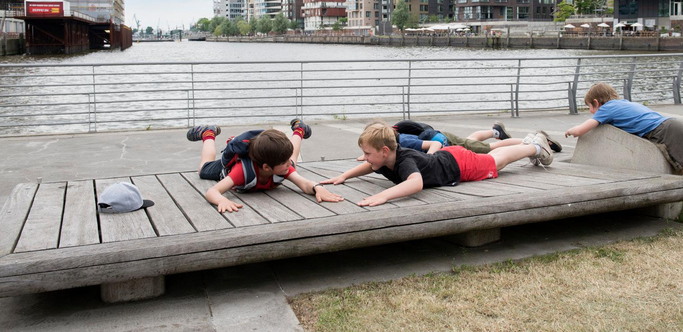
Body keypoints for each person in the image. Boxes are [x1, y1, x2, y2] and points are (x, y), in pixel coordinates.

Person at [565, 82, 683, 212]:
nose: (590, 111)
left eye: (589, 106)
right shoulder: (624, 103)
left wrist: (573, 130)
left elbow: (586, 127)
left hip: (665, 131)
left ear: (596, 103)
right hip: (678, 124)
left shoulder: (606, 109)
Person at [320, 121, 553, 207]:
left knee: (496, 161)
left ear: (384, 151)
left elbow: (416, 184)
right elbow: (369, 166)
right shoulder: (382, 159)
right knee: (492, 156)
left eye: (367, 153)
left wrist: (384, 196)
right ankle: (529, 144)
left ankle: (535, 147)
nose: (365, 158)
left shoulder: (404, 160)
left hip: (458, 165)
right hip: (449, 156)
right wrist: (344, 176)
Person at [187, 119, 343, 213]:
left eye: (286, 161)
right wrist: (221, 200)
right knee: (203, 169)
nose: (288, 165)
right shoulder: (242, 171)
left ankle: (299, 129)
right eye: (284, 162)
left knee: (292, 161)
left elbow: (303, 183)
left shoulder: (282, 166)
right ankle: (208, 133)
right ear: (267, 167)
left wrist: (317, 187)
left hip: (272, 162)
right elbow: (212, 191)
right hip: (227, 168)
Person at [393, 119, 562, 155]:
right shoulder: (395, 133)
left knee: (491, 148)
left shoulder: (404, 141)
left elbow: (434, 144)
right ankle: (496, 131)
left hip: (443, 140)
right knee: (470, 141)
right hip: (443, 137)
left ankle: (535, 141)